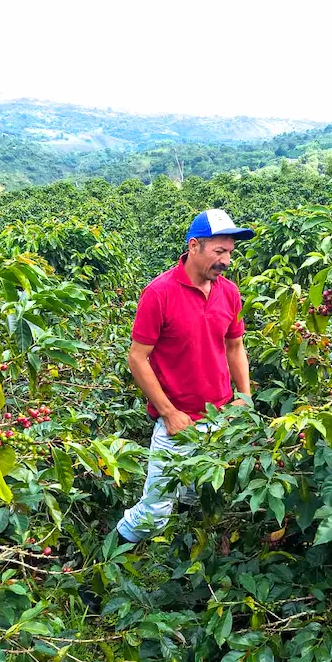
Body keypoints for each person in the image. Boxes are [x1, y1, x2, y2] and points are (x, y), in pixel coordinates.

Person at [116, 209, 254, 543]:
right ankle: (104, 569)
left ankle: (183, 555)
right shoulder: (159, 293)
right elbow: (137, 357)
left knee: (200, 493)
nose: (226, 261)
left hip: (220, 416)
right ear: (194, 246)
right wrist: (168, 412)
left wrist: (245, 397)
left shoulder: (229, 292)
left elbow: (235, 347)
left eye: (230, 253)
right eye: (219, 252)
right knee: (156, 508)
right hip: (178, 422)